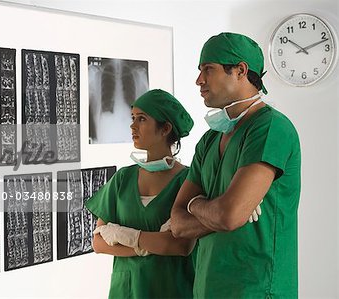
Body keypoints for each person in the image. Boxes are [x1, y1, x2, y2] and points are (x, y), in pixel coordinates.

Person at [171, 32, 301, 298]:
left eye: (208, 69)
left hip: (257, 290)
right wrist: (218, 212)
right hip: (207, 288)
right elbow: (178, 224)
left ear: (240, 70)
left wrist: (196, 205)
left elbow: (229, 216)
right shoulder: (210, 140)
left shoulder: (271, 128)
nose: (199, 80)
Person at [85, 89, 197, 299]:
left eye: (142, 119)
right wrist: (145, 246)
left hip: (172, 289)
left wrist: (125, 236)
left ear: (165, 128)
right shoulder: (123, 178)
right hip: (126, 291)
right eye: (133, 118)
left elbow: (180, 245)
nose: (132, 126)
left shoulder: (189, 181)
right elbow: (98, 243)